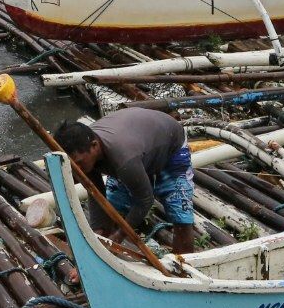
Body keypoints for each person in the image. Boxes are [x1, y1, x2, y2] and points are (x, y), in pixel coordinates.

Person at [53, 107, 196, 254]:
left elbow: (145, 200)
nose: (77, 169)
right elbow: (95, 193)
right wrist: (98, 233)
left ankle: (183, 266)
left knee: (181, 215)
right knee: (113, 210)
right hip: (138, 145)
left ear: (95, 146)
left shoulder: (124, 159)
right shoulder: (85, 153)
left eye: (79, 163)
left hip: (170, 146)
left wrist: (119, 235)